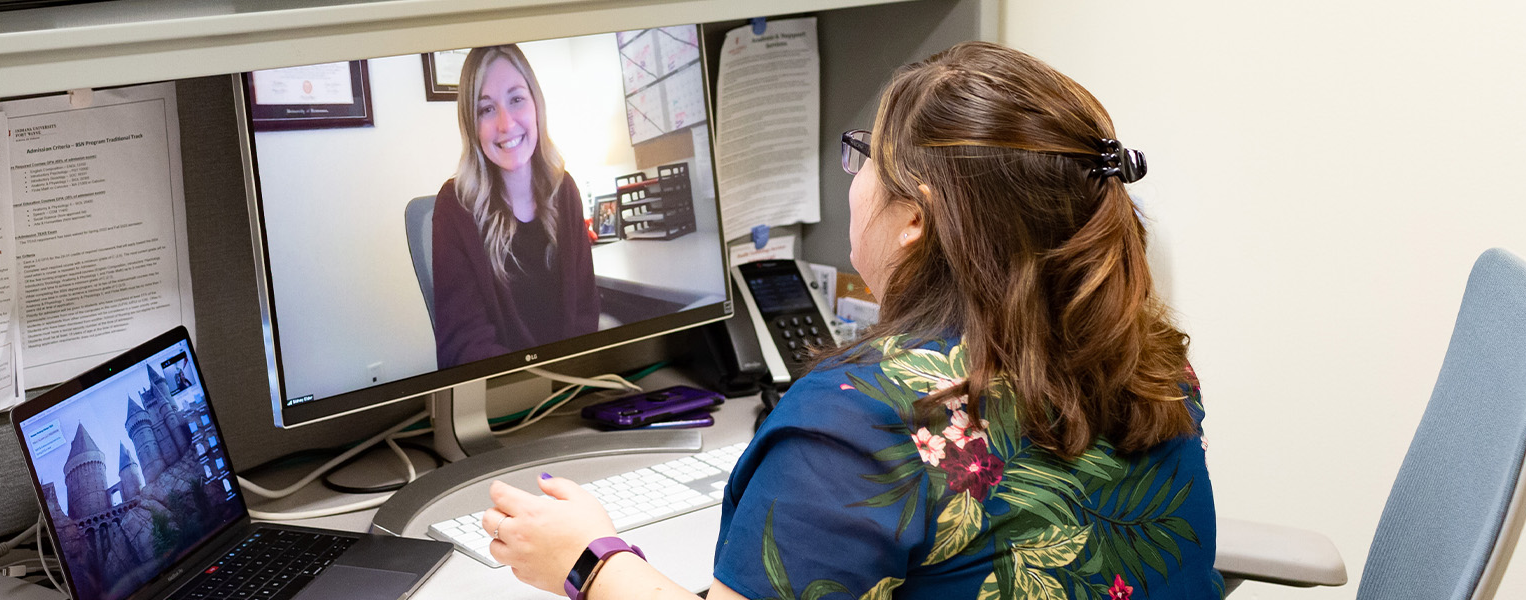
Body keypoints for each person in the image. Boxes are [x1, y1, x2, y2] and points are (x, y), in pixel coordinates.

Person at [477, 42, 1221, 600]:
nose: (855, 178)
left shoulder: (862, 426)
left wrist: (589, 559)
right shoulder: (1150, 359)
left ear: (913, 221)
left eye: (865, 156)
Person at [432, 44, 600, 369]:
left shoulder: (564, 190)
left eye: (516, 99)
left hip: (573, 386)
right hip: (505, 399)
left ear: (536, 105)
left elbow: (585, 311)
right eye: (486, 109)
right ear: (472, 124)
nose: (506, 124)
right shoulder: (454, 207)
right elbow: (465, 346)